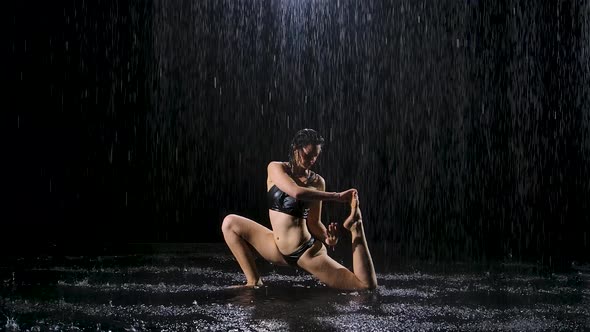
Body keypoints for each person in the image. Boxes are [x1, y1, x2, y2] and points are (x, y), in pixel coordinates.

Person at [221, 129, 377, 290]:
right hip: (275, 247)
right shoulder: (276, 168)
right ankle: (254, 281)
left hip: (305, 251)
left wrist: (327, 238)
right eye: (308, 155)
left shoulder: (317, 182)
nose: (311, 160)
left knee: (364, 286)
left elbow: (314, 222)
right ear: (295, 148)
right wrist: (337, 196)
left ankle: (356, 225)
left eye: (315, 156)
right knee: (230, 223)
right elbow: (296, 192)